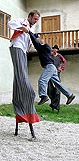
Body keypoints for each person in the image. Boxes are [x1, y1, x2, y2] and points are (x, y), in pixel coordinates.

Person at [21, 27, 75, 106]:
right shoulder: (42, 48)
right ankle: (69, 95)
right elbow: (35, 41)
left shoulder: (45, 46)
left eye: (38, 40)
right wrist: (32, 34)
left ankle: (43, 96)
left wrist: (29, 32)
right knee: (57, 83)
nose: (36, 42)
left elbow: (36, 42)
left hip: (49, 67)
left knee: (42, 80)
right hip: (52, 68)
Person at [8, 10, 40, 139]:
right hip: (17, 47)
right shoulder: (22, 21)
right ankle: (30, 97)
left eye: (37, 19)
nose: (36, 21)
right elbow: (10, 23)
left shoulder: (31, 29)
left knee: (19, 78)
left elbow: (31, 42)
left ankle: (20, 111)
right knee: (22, 77)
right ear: (30, 16)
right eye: (35, 18)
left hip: (23, 51)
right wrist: (23, 28)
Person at [47, 45, 67, 113]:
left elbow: (64, 61)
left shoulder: (59, 56)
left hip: (57, 74)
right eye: (53, 49)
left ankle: (56, 106)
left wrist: (61, 68)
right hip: (50, 73)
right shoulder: (50, 55)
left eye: (55, 49)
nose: (54, 50)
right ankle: (53, 104)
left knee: (57, 91)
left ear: (57, 50)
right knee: (49, 90)